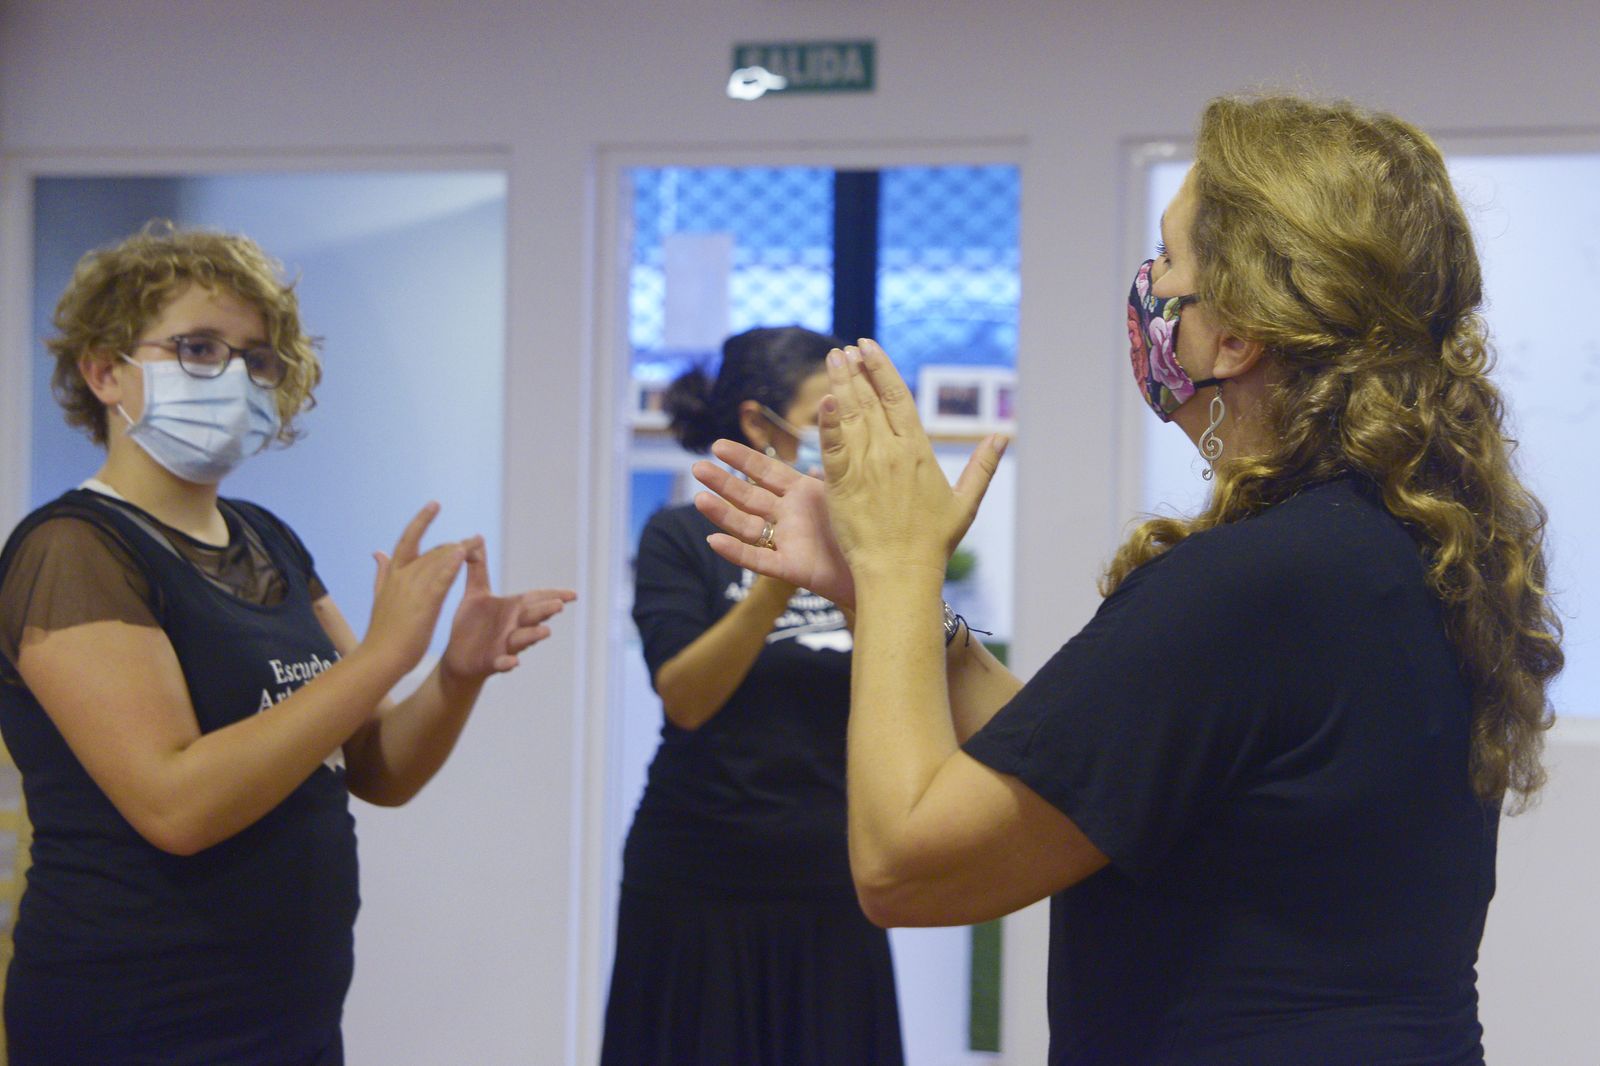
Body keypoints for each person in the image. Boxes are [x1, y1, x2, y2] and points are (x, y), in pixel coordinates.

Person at [691, 95, 1563, 1065]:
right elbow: (1083, 766)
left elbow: (903, 867)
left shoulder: (1256, 583)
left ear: (1235, 334)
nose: (1149, 284)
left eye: (1172, 260)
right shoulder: (1380, 549)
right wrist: (884, 593)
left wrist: (899, 560)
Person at [0, 224, 576, 1065]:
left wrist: (453, 674)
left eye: (256, 359)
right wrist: (384, 654)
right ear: (103, 370)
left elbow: (378, 765)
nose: (233, 377)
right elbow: (177, 806)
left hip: (287, 1003)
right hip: (138, 1010)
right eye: (198, 347)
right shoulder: (73, 550)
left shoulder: (264, 538)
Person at [600, 327, 903, 1066]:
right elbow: (686, 697)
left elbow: (905, 689)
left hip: (837, 885)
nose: (846, 433)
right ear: (758, 424)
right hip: (699, 888)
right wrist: (775, 584)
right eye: (827, 412)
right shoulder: (682, 536)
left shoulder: (869, 548)